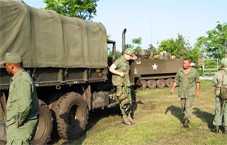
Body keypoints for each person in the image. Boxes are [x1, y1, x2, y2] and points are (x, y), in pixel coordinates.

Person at [0, 53, 39, 145]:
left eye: (6, 65)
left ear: (12, 66)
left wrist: (17, 122)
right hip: (19, 127)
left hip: (20, 127)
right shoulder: (20, 78)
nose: (5, 67)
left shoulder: (21, 80)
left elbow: (25, 105)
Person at [109, 48, 137, 125]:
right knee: (123, 100)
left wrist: (132, 55)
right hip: (120, 84)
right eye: (129, 55)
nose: (131, 57)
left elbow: (135, 57)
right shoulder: (119, 61)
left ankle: (129, 116)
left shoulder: (127, 61)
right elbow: (111, 68)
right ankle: (124, 117)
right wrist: (119, 73)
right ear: (125, 54)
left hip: (126, 83)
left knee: (129, 100)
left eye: (131, 55)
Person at [170, 58, 200, 128]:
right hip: (182, 91)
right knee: (183, 106)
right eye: (183, 63)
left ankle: (186, 120)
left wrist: (197, 91)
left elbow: (197, 82)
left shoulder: (194, 71)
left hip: (190, 91)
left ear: (189, 64)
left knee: (188, 106)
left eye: (185, 63)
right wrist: (172, 88)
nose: (184, 64)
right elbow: (176, 80)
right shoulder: (180, 71)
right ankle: (185, 117)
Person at [211, 58, 227, 134]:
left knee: (218, 110)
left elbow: (214, 83)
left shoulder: (218, 73)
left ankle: (216, 127)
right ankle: (226, 128)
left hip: (219, 94)